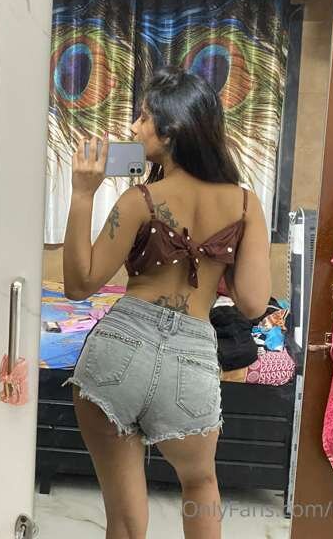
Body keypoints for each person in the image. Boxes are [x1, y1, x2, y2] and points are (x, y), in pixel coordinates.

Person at [62, 66, 272, 539]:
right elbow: (253, 303)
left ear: (171, 133)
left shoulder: (140, 200)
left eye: (143, 118)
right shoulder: (245, 205)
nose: (134, 128)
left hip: (119, 350)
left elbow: (78, 285)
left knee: (123, 520)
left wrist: (82, 194)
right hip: (191, 362)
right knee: (200, 484)